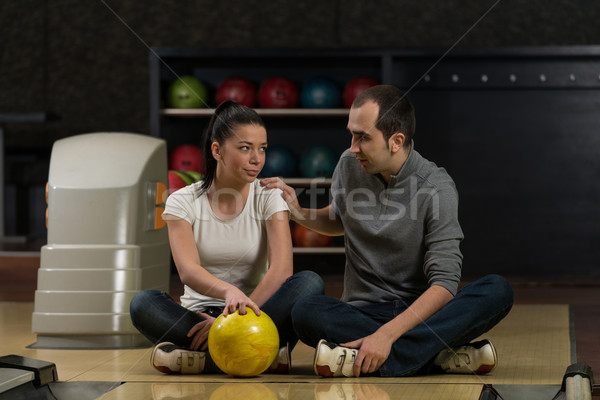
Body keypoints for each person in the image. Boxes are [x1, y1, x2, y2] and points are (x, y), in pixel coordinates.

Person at [260, 85, 514, 377]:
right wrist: (298, 211)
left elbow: (444, 286)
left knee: (497, 290)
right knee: (305, 311)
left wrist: (387, 336)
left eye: (363, 138)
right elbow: (339, 220)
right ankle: (437, 355)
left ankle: (384, 354)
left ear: (396, 141)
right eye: (352, 134)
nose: (353, 147)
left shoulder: (436, 187)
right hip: (361, 311)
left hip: (419, 313)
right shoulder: (349, 164)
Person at [130, 100, 324, 374]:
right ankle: (262, 355)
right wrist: (228, 293)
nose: (257, 158)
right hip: (201, 315)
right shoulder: (182, 200)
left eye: (262, 149)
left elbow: (282, 270)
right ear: (217, 150)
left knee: (309, 283)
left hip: (259, 310)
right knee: (143, 304)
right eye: (245, 148)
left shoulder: (270, 196)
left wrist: (234, 318)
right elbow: (188, 271)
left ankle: (205, 360)